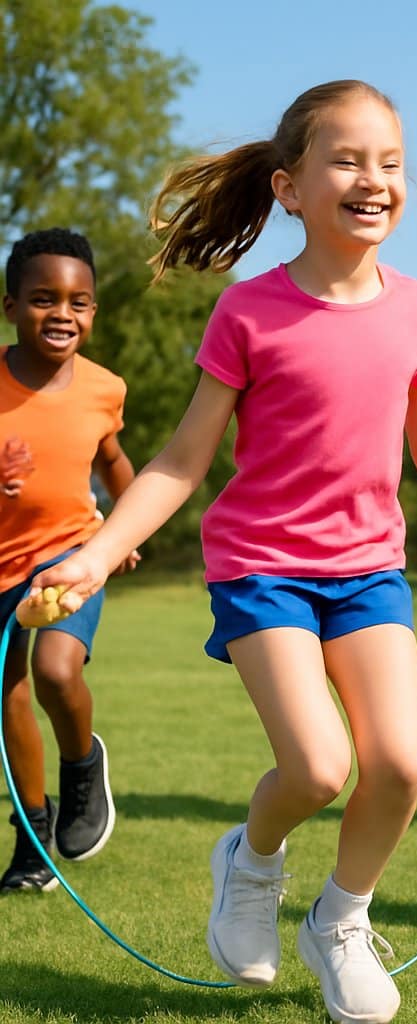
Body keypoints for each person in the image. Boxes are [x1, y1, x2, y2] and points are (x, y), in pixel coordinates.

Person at [27, 81, 417, 1024]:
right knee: (316, 769)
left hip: (369, 572)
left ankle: (340, 924)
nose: (374, 180)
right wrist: (96, 556)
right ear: (290, 189)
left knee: (399, 763)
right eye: (347, 160)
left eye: (390, 164)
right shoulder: (250, 314)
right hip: (262, 567)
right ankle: (252, 863)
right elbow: (182, 462)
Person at [0, 227, 138, 892]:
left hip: (71, 552)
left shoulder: (103, 389)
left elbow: (113, 462)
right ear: (10, 307)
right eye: (42, 299)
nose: (61, 314)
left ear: (93, 311)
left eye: (78, 302)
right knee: (8, 696)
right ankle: (32, 842)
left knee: (56, 672)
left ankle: (82, 767)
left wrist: (128, 529)